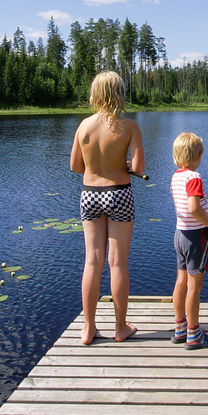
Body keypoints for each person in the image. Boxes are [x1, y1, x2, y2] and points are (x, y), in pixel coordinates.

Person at [70, 71, 145, 345]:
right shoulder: (129, 127)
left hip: (90, 195)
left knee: (92, 260)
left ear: (95, 94)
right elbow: (138, 168)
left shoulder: (84, 126)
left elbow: (76, 167)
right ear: (119, 94)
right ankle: (120, 327)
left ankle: (88, 328)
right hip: (119, 194)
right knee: (117, 262)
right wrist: (122, 166)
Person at [169, 132, 208, 350]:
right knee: (195, 287)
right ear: (198, 155)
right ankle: (194, 334)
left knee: (181, 281)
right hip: (195, 238)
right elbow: (192, 208)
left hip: (180, 235)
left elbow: (189, 206)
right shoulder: (194, 177)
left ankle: (180, 327)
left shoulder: (176, 176)